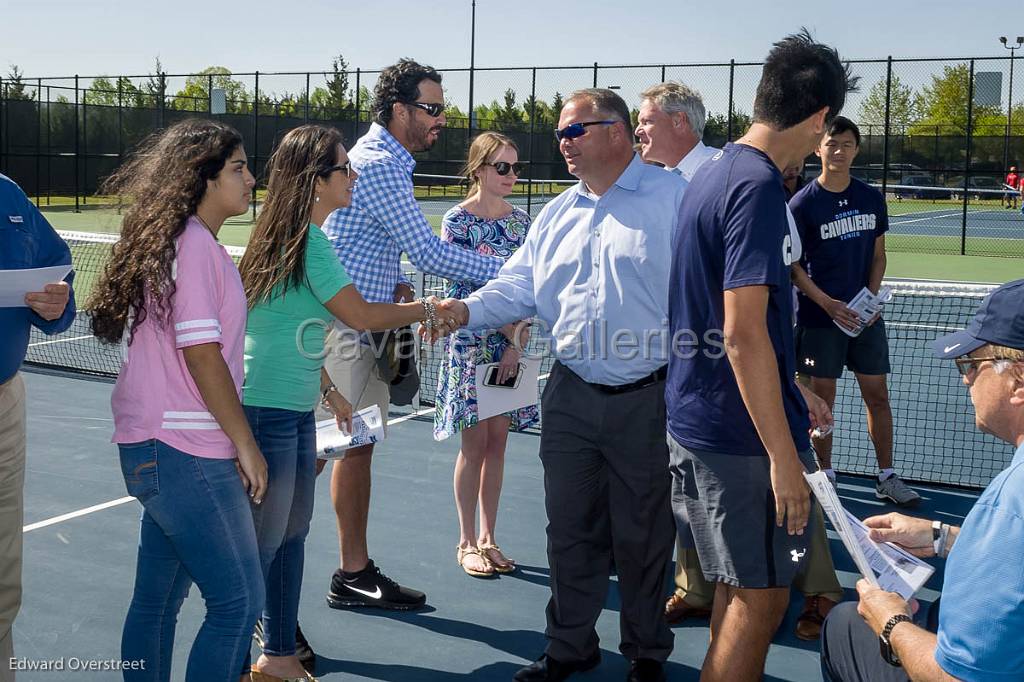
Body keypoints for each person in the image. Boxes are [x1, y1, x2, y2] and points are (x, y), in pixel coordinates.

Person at [431, 88, 685, 682]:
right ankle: (570, 646)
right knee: (569, 528)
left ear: (618, 132)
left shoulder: (676, 200)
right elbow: (516, 287)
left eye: (575, 132)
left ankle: (647, 654)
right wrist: (463, 311)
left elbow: (710, 295)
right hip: (569, 395)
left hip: (647, 397)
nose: (562, 144)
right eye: (560, 135)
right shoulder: (555, 215)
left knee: (644, 535)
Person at [666, 30, 856, 681]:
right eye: (825, 129)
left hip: (704, 420)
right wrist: (782, 456)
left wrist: (790, 386)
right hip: (739, 438)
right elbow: (740, 330)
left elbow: (725, 321)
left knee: (732, 585)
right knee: (764, 595)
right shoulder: (757, 189)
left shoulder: (715, 171)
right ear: (819, 117)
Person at [237, 124, 453, 681]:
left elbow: (289, 329)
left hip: (285, 402)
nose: (353, 176)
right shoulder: (311, 243)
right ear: (315, 182)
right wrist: (429, 309)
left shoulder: (285, 236)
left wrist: (328, 390)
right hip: (270, 412)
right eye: (343, 169)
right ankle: (249, 651)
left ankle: (278, 654)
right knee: (267, 543)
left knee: (286, 536)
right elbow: (360, 315)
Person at [320, 58, 504, 612]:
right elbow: (428, 250)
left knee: (355, 450)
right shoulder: (378, 164)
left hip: (369, 327)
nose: (440, 118)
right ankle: (260, 588)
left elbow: (378, 245)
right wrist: (514, 269)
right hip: (345, 332)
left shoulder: (382, 161)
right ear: (399, 110)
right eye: (431, 108)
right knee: (310, 455)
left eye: (441, 108)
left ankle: (353, 572)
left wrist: (400, 286)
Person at [89, 119, 268, 682]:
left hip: (160, 447)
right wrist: (246, 444)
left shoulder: (185, 242)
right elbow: (201, 353)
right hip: (184, 451)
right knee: (239, 602)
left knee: (157, 603)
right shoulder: (192, 246)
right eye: (238, 168)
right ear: (203, 178)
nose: (251, 178)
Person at [820, 277, 1024, 682]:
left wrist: (891, 622)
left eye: (971, 365)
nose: (965, 379)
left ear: (1018, 380)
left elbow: (959, 678)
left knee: (845, 624)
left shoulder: (1014, 499)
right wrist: (939, 536)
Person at [791, 116, 921, 507]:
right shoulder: (802, 204)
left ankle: (886, 476)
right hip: (819, 320)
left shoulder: (870, 197)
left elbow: (879, 257)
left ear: (856, 150)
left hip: (865, 322)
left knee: (877, 396)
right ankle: (826, 475)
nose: (839, 151)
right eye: (832, 144)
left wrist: (870, 300)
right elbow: (794, 268)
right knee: (821, 403)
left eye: (847, 144)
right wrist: (828, 304)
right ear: (819, 148)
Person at [433, 132, 539, 578]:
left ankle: (490, 537)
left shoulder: (522, 224)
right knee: (474, 445)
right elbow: (459, 292)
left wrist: (516, 344)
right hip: (471, 345)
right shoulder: (456, 222)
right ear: (478, 170)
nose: (511, 176)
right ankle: (466, 541)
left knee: (499, 442)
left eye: (515, 167)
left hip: (510, 349)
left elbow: (531, 288)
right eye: (502, 168)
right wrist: (505, 331)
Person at [0, 174, 75, 682]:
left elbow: (59, 277)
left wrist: (58, 304)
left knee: (4, 570)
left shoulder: (9, 195)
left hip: (6, 401)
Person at [634, 81, 717, 180]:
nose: (637, 131)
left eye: (647, 122)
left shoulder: (723, 170)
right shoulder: (659, 181)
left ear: (677, 121)